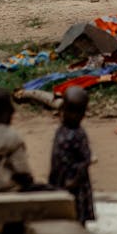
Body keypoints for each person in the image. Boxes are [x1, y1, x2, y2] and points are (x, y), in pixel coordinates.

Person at [48, 86, 96, 224]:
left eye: (76, 112)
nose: (71, 115)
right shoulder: (61, 129)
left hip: (75, 182)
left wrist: (75, 179)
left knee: (76, 212)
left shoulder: (79, 134)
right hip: (58, 177)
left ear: (83, 114)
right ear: (62, 109)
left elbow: (85, 159)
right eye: (68, 110)